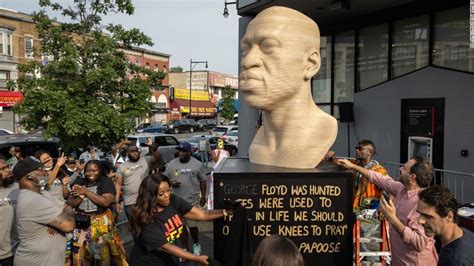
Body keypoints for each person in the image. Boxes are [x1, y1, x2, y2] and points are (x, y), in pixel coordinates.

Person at [239, 6, 337, 169]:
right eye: (245, 49)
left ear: (310, 64)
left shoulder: (320, 133)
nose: (247, 61)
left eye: (268, 46)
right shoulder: (258, 145)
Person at [338, 156, 438, 265]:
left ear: (412, 177)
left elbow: (419, 243)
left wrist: (393, 219)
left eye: (404, 168)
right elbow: (378, 178)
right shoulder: (402, 190)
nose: (400, 169)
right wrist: (352, 166)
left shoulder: (422, 203)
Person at [129, 174, 232, 265]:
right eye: (161, 194)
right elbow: (166, 247)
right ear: (150, 196)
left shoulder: (173, 201)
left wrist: (225, 212)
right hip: (147, 262)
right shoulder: (144, 218)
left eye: (168, 190)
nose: (167, 195)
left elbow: (202, 215)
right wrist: (197, 258)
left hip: (168, 258)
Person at [13, 156, 75, 266]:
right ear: (29, 177)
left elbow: (68, 208)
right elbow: (69, 225)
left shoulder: (43, 194)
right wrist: (58, 220)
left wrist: (56, 221)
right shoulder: (33, 199)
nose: (46, 172)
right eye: (41, 169)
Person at [66, 160, 128, 265]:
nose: (91, 173)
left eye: (94, 170)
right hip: (82, 224)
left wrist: (85, 191)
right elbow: (71, 202)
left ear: (99, 170)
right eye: (88, 171)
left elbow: (105, 202)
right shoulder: (80, 182)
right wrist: (81, 197)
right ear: (84, 171)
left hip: (101, 223)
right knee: (82, 254)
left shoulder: (105, 181)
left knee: (104, 254)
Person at [164, 142, 206, 256]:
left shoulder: (197, 164)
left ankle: (196, 245)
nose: (181, 153)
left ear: (189, 152)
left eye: (184, 151)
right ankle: (185, 249)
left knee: (192, 226)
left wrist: (204, 196)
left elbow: (202, 180)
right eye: (180, 151)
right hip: (176, 202)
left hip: (192, 201)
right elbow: (165, 179)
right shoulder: (171, 164)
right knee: (180, 227)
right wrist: (171, 182)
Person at [417, 185, 474, 265]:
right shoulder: (465, 234)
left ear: (449, 216)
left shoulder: (453, 260)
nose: (420, 221)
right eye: (419, 214)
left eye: (428, 216)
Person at [115, 138, 164, 220]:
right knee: (134, 227)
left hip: (145, 200)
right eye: (132, 151)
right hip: (130, 202)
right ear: (128, 153)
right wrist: (117, 202)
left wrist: (152, 146)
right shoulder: (122, 166)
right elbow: (118, 185)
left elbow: (158, 157)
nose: (135, 153)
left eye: (136, 151)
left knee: (148, 224)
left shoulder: (146, 159)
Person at [0, 159, 19, 266]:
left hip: (18, 251)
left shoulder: (19, 188)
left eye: (8, 167)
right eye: (3, 169)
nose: (8, 170)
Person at [208, 138, 230, 209]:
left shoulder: (226, 152)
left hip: (225, 172)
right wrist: (219, 152)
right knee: (214, 189)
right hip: (216, 171)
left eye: (221, 142)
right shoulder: (214, 151)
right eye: (219, 142)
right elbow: (215, 159)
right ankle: (212, 206)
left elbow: (228, 161)